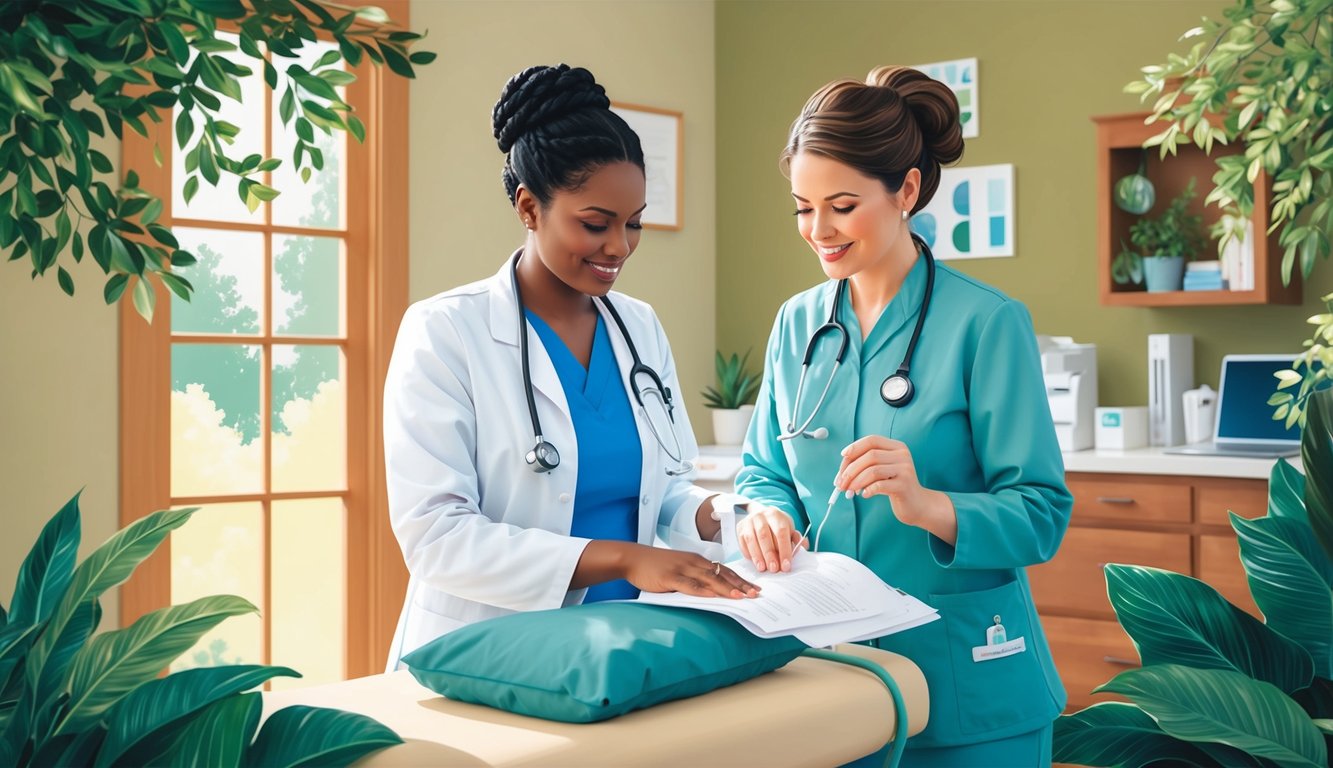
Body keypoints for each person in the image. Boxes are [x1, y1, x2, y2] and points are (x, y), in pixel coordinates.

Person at [734, 66, 1073, 767]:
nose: (817, 230)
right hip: (830, 682)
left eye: (841, 205)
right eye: (802, 207)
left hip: (966, 689)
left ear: (906, 191)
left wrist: (926, 504)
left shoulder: (986, 322)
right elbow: (763, 469)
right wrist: (763, 514)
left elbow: (1040, 513)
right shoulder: (797, 324)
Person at [383, 64, 756, 672]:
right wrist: (625, 559)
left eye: (634, 222)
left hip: (621, 653)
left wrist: (730, 519)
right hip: (486, 655)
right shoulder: (446, 331)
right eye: (595, 223)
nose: (620, 246)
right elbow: (438, 538)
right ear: (530, 207)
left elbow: (667, 491)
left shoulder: (638, 328)